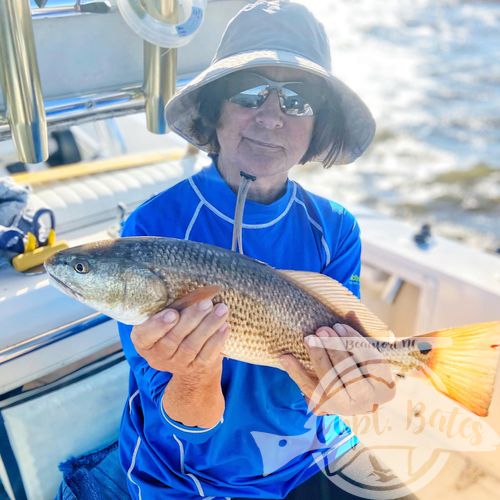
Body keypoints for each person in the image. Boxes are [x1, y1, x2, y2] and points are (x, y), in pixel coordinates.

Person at [56, 1, 399, 499]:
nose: (271, 117)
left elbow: (340, 368)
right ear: (215, 109)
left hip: (312, 453)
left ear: (318, 125)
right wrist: (193, 372)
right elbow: (190, 424)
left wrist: (362, 388)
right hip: (190, 475)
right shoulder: (154, 227)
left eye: (297, 101)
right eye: (249, 93)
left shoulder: (336, 227)